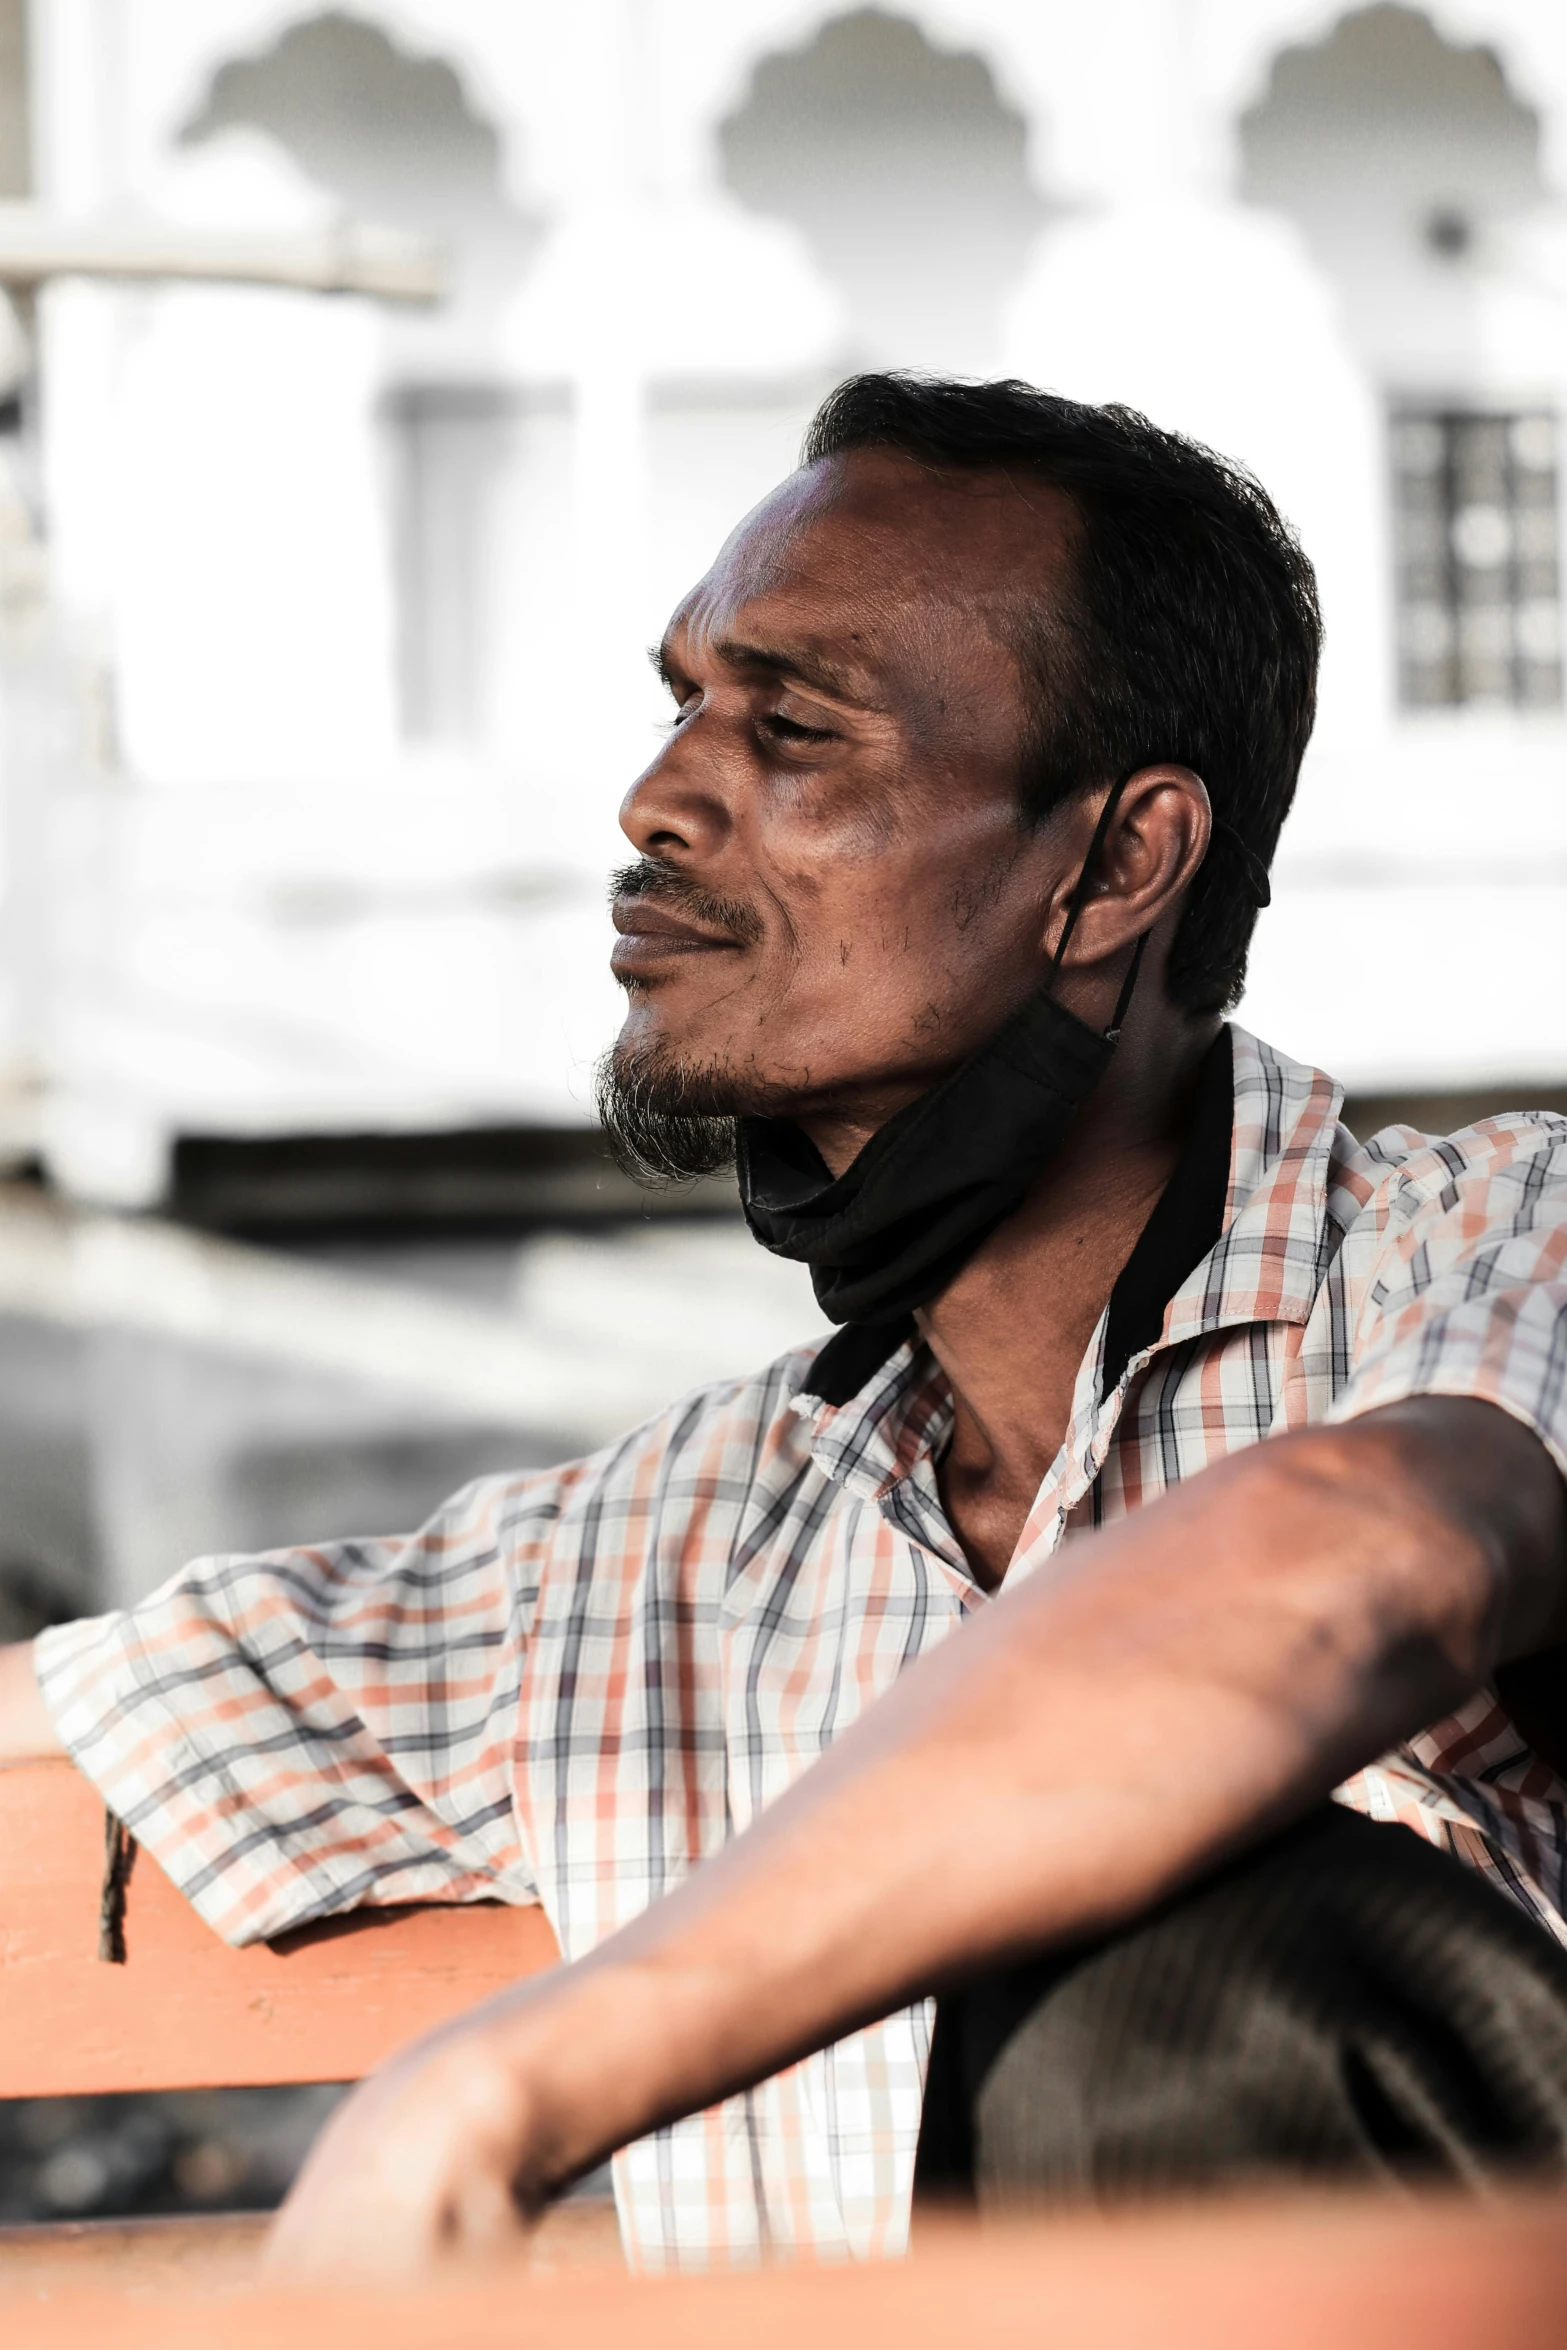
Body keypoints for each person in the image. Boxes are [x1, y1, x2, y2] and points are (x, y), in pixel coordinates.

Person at [5, 374, 1567, 2282]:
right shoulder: (652, 1554)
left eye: (793, 727)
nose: (657, 798)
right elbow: (102, 1724)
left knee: (1174, 1971)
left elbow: (1359, 1560)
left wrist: (511, 2078)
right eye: (683, 704)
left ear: (1116, 864)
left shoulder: (1496, 1241)